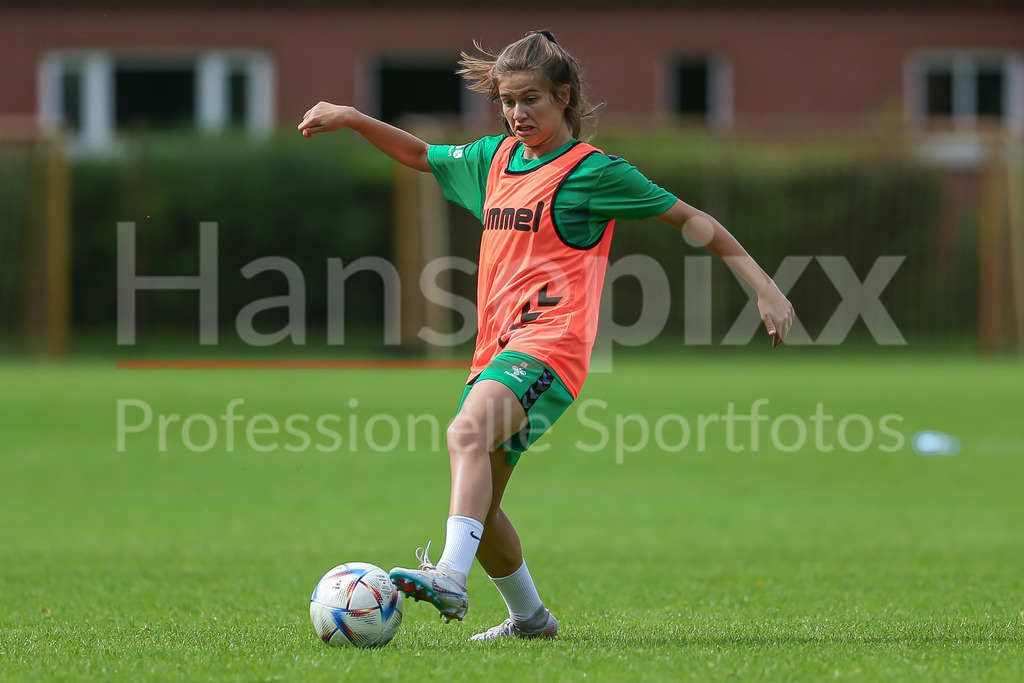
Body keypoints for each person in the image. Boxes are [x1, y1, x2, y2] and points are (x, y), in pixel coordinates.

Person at [298, 29, 794, 641]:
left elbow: (694, 220)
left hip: (551, 345)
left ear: (564, 97)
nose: (516, 113)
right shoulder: (494, 159)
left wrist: (763, 285)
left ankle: (449, 576)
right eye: (507, 101)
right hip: (497, 350)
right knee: (481, 505)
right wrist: (351, 117)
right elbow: (420, 156)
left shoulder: (594, 173)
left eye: (530, 99)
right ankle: (531, 620)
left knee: (466, 433)